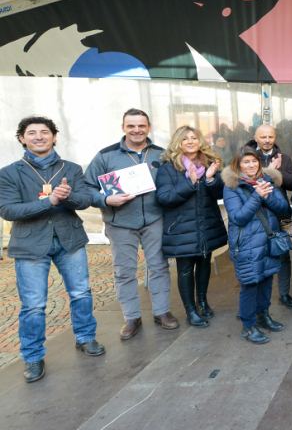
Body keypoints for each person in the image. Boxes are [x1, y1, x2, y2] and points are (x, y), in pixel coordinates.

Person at [0, 116, 105, 383]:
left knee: (81, 292)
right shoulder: (9, 173)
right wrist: (50, 200)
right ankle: (33, 357)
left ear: (54, 137)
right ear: (22, 139)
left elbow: (84, 200)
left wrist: (68, 196)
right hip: (30, 245)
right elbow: (8, 210)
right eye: (31, 133)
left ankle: (85, 337)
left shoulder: (71, 168)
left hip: (69, 239)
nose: (38, 137)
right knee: (34, 305)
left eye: (44, 132)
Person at [84, 108, 179, 340]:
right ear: (123, 127)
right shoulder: (105, 156)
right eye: (131, 126)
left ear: (148, 127)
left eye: (141, 126)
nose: (136, 130)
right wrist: (106, 199)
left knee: (158, 266)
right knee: (124, 271)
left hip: (155, 219)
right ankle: (132, 317)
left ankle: (161, 312)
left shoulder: (162, 154)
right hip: (120, 222)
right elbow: (86, 188)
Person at [155, 126, 226, 327]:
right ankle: (191, 311)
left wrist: (211, 179)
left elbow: (220, 194)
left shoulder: (209, 163)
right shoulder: (168, 168)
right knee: (185, 269)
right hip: (181, 228)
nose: (190, 141)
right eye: (185, 138)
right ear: (178, 142)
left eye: (194, 137)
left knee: (204, 264)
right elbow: (164, 197)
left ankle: (202, 302)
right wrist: (190, 183)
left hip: (206, 223)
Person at [222, 147, 289, 344]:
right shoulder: (232, 186)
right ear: (237, 165)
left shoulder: (266, 180)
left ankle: (264, 315)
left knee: (267, 279)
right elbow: (238, 217)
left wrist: (267, 196)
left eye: (254, 161)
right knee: (250, 284)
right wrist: (257, 196)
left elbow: (283, 209)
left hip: (267, 240)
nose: (251, 165)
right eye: (245, 162)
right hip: (247, 244)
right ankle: (248, 326)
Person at [246, 124, 292, 310]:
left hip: (278, 211)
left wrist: (277, 172)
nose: (267, 140)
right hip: (256, 212)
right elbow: (245, 180)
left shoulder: (283, 158)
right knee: (257, 255)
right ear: (256, 137)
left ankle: (284, 294)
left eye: (270, 136)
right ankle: (254, 300)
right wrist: (269, 170)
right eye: (263, 137)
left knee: (282, 253)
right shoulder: (247, 157)